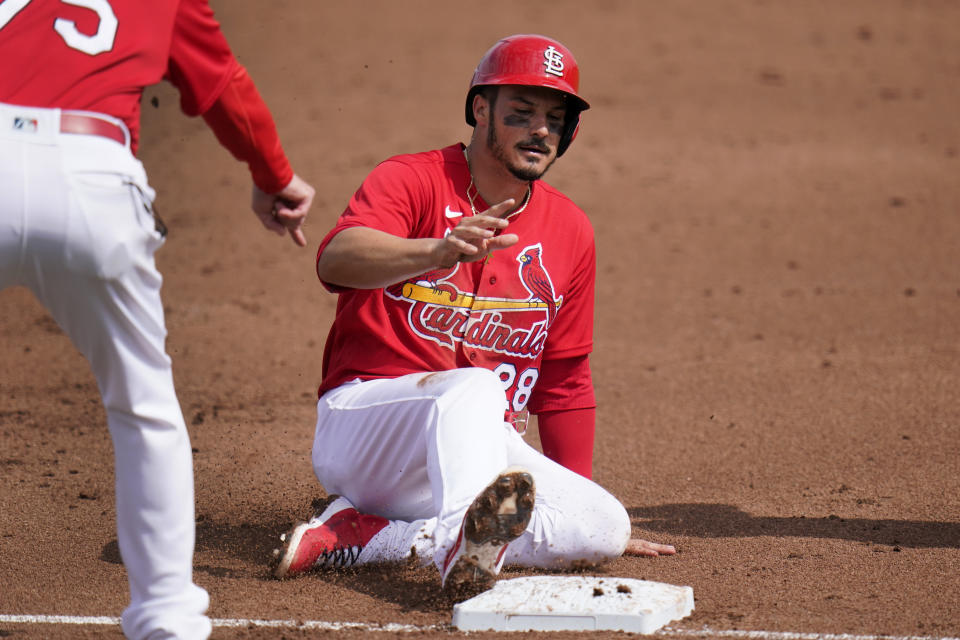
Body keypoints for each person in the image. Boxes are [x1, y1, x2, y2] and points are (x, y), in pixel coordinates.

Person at [270, 34, 672, 597]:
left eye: (555, 119)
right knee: (475, 389)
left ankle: (367, 536)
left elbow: (565, 380)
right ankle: (461, 547)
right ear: (480, 109)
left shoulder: (572, 231)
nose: (540, 131)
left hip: (469, 453)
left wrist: (569, 506)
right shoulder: (412, 178)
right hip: (366, 432)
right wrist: (435, 251)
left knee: (605, 527)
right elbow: (336, 258)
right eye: (522, 113)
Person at [0, 1, 314, 638]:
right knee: (144, 403)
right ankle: (168, 617)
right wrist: (273, 175)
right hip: (93, 178)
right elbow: (223, 84)